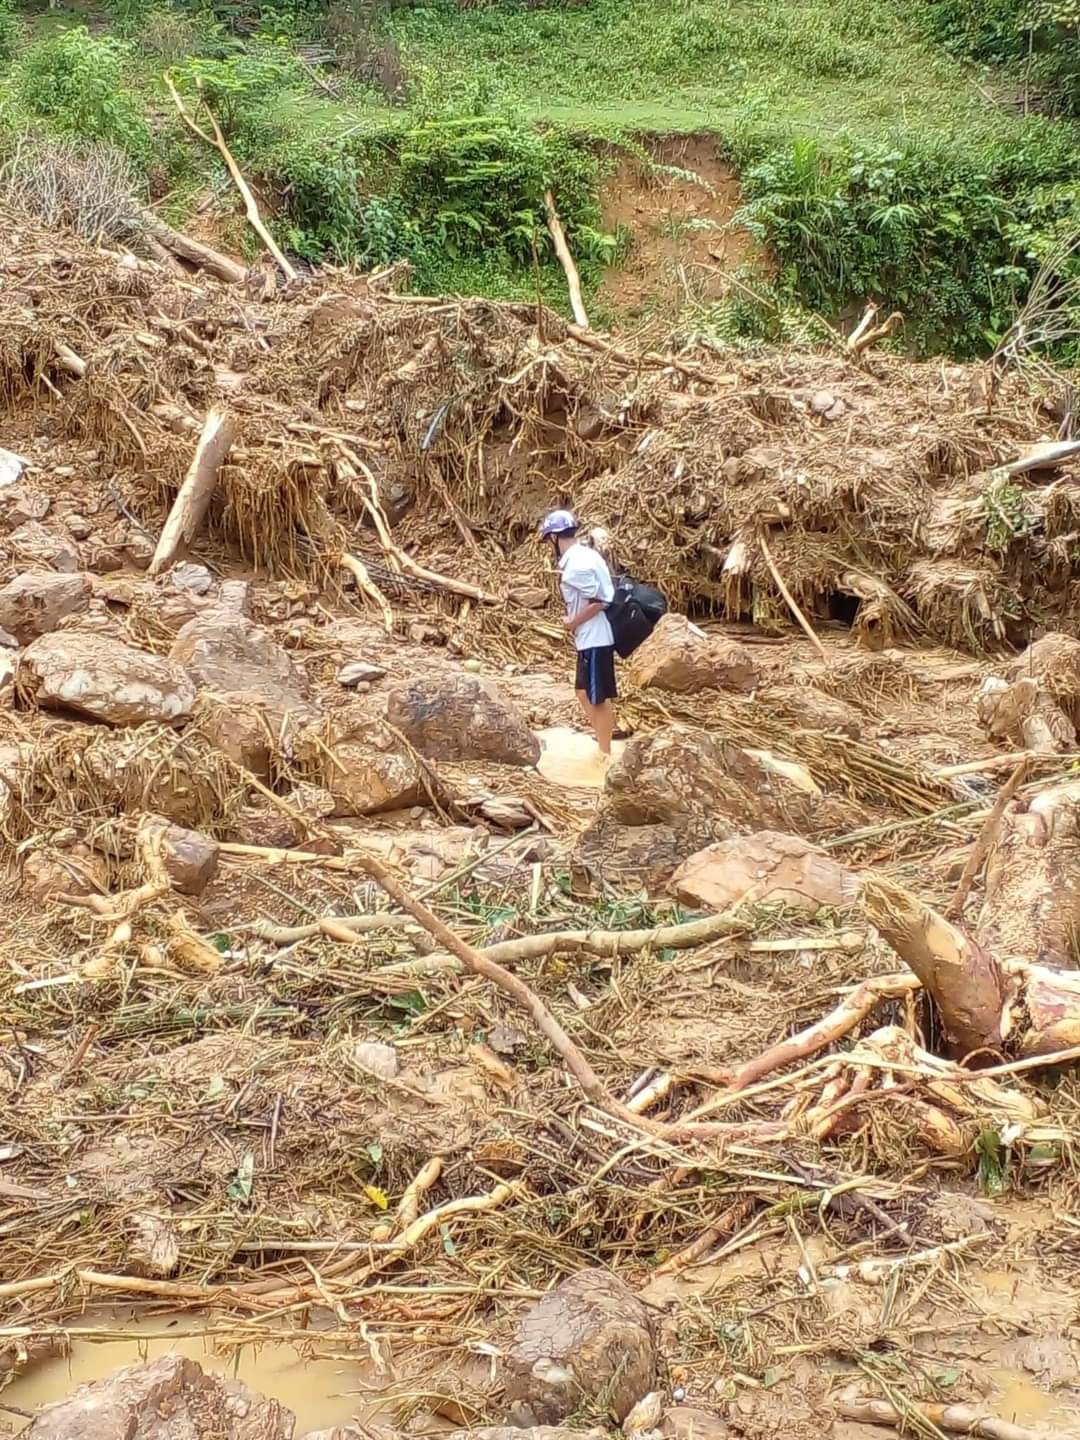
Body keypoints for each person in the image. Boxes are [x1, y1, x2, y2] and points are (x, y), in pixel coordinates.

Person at [540, 508, 617, 757]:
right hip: (590, 638)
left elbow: (601, 600)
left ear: (553, 538)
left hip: (594, 637)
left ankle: (605, 754)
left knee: (597, 698)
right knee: (583, 692)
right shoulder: (586, 555)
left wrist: (572, 622)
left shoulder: (576, 566)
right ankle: (602, 745)